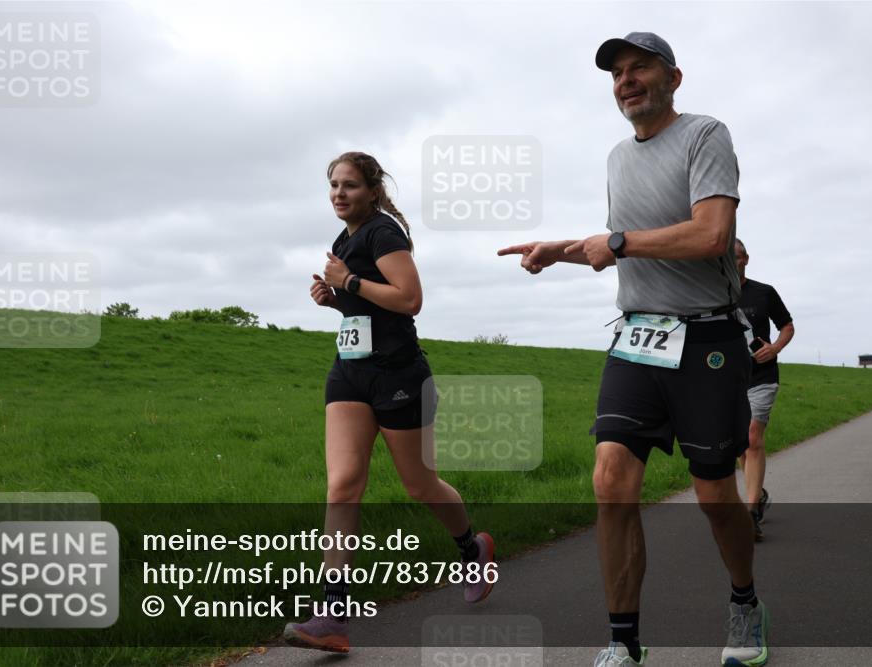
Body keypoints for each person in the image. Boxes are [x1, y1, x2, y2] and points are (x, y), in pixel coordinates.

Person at [499, 32, 767, 667]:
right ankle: (623, 640)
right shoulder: (618, 156)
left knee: (713, 495)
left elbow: (709, 234)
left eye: (638, 67)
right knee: (611, 479)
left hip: (707, 337)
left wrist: (616, 244)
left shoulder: (707, 134)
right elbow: (619, 240)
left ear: (673, 77)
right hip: (638, 338)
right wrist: (560, 250)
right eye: (616, 72)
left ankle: (745, 601)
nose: (624, 80)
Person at [284, 152, 494, 654]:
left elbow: (408, 298)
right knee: (343, 486)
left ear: (373, 191)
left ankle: (471, 549)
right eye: (333, 185)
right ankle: (332, 615)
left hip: (399, 374)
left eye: (350, 185)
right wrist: (336, 300)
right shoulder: (344, 240)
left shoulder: (383, 233)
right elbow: (364, 304)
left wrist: (349, 282)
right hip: (350, 374)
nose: (339, 193)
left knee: (419, 485)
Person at [735, 239, 794, 542]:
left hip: (762, 375)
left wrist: (775, 348)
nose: (732, 262)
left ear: (746, 259)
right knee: (740, 444)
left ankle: (750, 513)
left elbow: (787, 326)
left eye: (737, 257)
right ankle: (756, 492)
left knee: (753, 437)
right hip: (727, 380)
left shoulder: (764, 292)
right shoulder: (708, 295)